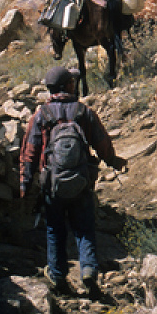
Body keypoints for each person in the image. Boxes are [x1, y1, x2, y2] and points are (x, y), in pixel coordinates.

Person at [18, 66, 126, 297]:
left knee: (54, 229)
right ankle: (88, 270)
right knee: (84, 228)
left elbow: (30, 151)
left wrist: (25, 183)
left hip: (52, 184)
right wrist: (114, 161)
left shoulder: (41, 115)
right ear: (67, 86)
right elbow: (102, 143)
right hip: (81, 182)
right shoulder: (83, 112)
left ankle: (57, 276)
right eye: (71, 82)